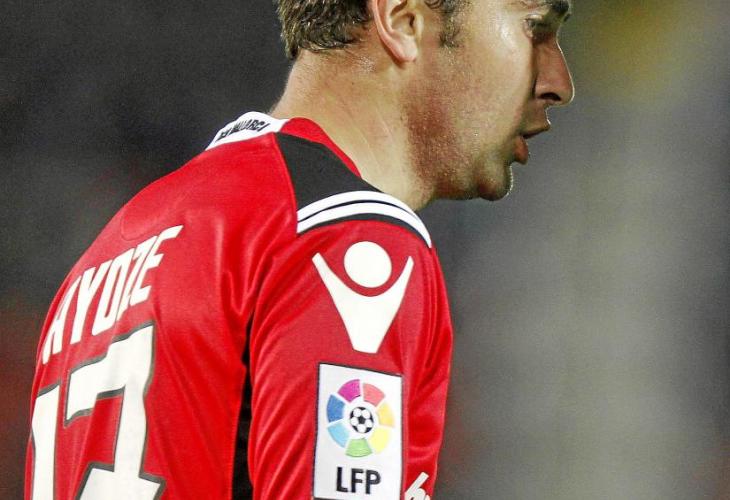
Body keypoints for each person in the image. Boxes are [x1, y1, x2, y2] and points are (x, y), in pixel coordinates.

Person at [25, 0, 573, 498]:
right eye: (535, 29)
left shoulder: (107, 257)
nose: (559, 83)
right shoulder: (348, 239)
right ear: (403, 20)